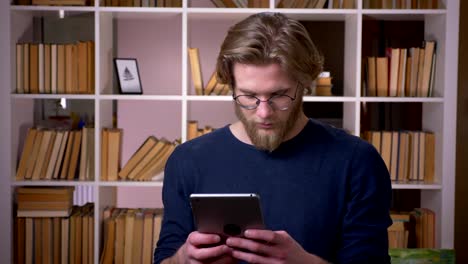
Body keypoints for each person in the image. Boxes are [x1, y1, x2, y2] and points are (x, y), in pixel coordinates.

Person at [154, 12, 392, 264]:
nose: (264, 112)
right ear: (231, 85)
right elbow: (165, 258)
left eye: (279, 95)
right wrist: (182, 259)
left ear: (304, 85)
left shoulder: (358, 161)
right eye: (248, 95)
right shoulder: (187, 160)